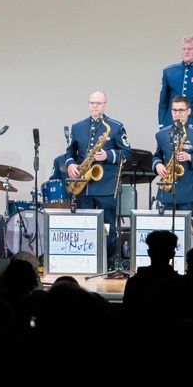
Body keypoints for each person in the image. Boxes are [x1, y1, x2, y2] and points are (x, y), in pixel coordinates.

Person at [65, 91, 132, 262]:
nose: (95, 106)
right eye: (92, 103)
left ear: (105, 105)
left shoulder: (116, 126)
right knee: (83, 225)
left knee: (108, 227)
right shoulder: (78, 126)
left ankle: (109, 263)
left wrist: (108, 155)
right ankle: (83, 261)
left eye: (98, 103)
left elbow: (127, 153)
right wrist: (71, 164)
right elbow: (69, 152)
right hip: (83, 186)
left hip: (106, 186)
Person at [153, 96, 193, 212]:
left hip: (190, 191)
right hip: (168, 191)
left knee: (187, 228)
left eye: (181, 110)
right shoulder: (162, 134)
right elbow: (157, 156)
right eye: (174, 110)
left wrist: (190, 157)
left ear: (188, 111)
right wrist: (157, 165)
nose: (177, 114)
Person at [157, 35, 193, 134]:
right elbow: (163, 101)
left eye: (190, 49)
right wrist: (162, 124)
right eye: (184, 49)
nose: (186, 52)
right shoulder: (169, 71)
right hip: (172, 123)